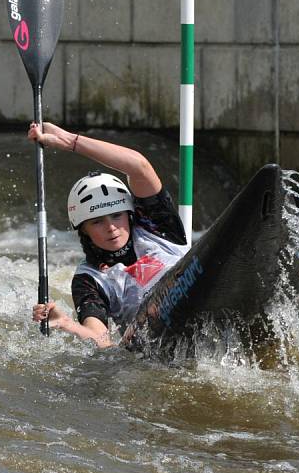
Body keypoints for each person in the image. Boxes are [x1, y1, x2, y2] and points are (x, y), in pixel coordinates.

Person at [29, 121, 188, 347]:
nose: (111, 227)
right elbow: (102, 340)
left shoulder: (158, 228)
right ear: (83, 229)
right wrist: (66, 323)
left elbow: (139, 166)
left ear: (129, 214)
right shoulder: (89, 279)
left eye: (116, 216)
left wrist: (71, 142)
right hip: (157, 345)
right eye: (97, 222)